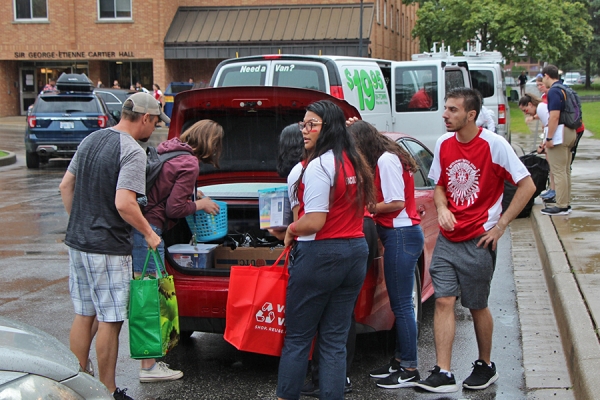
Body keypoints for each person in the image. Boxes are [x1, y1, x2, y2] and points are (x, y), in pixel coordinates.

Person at [416, 87, 536, 393]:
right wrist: (441, 207)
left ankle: (485, 365)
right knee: (443, 300)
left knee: (477, 305)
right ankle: (443, 372)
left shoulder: (495, 145)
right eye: (445, 108)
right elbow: (440, 184)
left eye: (453, 110)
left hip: (479, 240)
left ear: (471, 115)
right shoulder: (443, 143)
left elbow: (527, 185)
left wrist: (501, 226)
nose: (445, 114)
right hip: (447, 238)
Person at [59, 92, 169, 400]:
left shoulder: (90, 140)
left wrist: (79, 222)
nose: (156, 128)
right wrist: (148, 233)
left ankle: (78, 382)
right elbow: (125, 203)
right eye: (156, 121)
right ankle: (106, 390)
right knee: (110, 319)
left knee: (84, 314)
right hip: (107, 247)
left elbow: (65, 185)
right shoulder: (132, 150)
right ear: (145, 119)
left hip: (78, 242)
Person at [276, 100, 375, 400]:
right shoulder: (353, 161)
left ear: (327, 127)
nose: (304, 130)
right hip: (355, 251)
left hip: (320, 254)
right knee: (333, 339)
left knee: (298, 338)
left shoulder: (317, 166)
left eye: (311, 124)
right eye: (302, 124)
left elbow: (313, 221)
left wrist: (290, 231)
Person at [132, 119, 224, 382]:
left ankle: (151, 362)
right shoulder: (190, 163)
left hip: (141, 226)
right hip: (149, 231)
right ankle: (148, 367)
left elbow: (165, 189)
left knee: (148, 294)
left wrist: (191, 196)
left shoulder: (169, 150)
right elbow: (173, 209)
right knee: (149, 297)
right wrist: (201, 204)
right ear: (210, 143)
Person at [348, 121, 424, 390]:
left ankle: (410, 368)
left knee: (402, 305)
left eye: (354, 146)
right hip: (399, 235)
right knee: (399, 303)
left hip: (401, 235)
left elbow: (396, 202)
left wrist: (368, 208)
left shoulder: (386, 161)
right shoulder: (387, 157)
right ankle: (400, 360)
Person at [540, 64, 578, 216]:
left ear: (547, 76)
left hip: (560, 133)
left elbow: (554, 116)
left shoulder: (554, 91)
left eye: (543, 77)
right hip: (571, 131)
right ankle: (566, 203)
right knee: (565, 170)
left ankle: (561, 205)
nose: (543, 81)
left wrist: (549, 138)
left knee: (558, 171)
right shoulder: (566, 89)